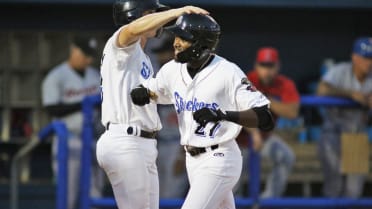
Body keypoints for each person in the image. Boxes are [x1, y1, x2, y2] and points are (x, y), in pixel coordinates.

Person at [130, 14, 274, 209]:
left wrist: (223, 115)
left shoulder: (227, 72)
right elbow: (158, 91)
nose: (176, 43)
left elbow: (265, 116)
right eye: (176, 37)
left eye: (183, 38)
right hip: (192, 160)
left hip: (220, 157)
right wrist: (145, 93)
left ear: (200, 43)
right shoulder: (171, 70)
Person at [95, 1, 209, 209]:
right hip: (125, 139)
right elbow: (132, 29)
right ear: (135, 14)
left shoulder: (144, 58)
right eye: (151, 13)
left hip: (143, 142)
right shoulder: (121, 44)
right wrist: (178, 11)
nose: (157, 18)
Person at [42, 36, 103, 209]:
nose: (88, 59)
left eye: (91, 55)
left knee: (95, 192)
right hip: (68, 139)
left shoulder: (94, 75)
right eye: (85, 54)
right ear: (74, 51)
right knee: (68, 194)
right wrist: (84, 104)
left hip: (93, 137)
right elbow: (51, 108)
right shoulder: (56, 76)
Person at [317, 37, 372, 198]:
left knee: (353, 192)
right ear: (354, 57)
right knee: (333, 188)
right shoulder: (341, 70)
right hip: (333, 134)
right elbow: (321, 90)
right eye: (366, 58)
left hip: (357, 136)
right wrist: (350, 95)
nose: (369, 62)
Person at [244, 47, 298, 198]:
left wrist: (265, 99)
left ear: (277, 66)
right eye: (263, 66)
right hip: (238, 139)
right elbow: (241, 110)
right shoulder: (248, 79)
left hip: (264, 137)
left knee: (286, 157)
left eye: (270, 66)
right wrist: (254, 133)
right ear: (256, 66)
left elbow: (292, 112)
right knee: (232, 182)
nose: (266, 70)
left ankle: (268, 201)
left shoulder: (284, 83)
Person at [151, 36, 189, 199]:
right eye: (159, 54)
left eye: (164, 53)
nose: (161, 58)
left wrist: (183, 154)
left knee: (171, 195)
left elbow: (191, 121)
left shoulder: (185, 80)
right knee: (155, 195)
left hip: (177, 145)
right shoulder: (157, 80)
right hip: (160, 145)